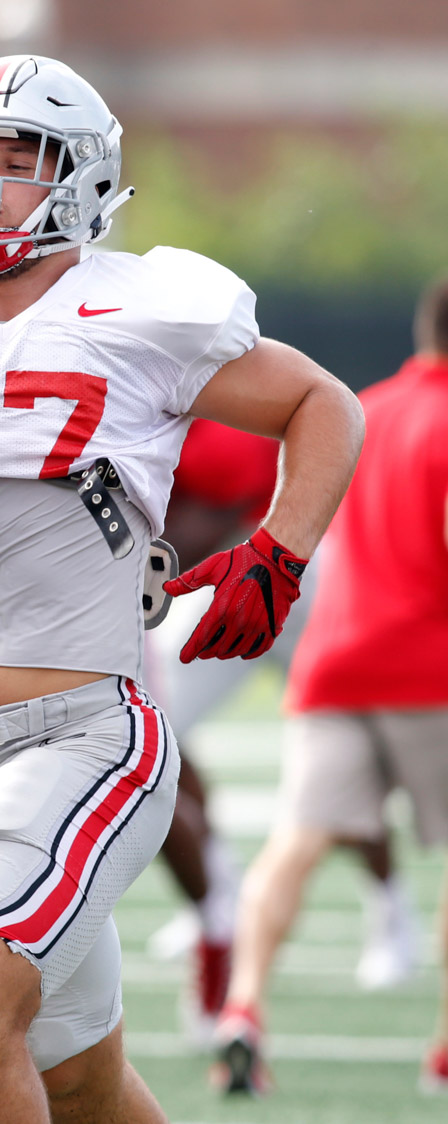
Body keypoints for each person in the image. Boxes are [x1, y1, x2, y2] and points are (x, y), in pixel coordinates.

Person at [0, 54, 364, 1124]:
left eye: (17, 163)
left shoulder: (141, 307)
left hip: (82, 734)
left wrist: (280, 548)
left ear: (81, 178)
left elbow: (322, 402)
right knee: (79, 1082)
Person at [210, 274, 448, 1097]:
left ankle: (242, 1008)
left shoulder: (362, 406)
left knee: (295, 843)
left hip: (335, 654)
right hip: (430, 667)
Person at [144, 422, 419, 1050]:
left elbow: (205, 524)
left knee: (348, 749)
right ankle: (219, 891)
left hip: (283, 568)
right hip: (214, 577)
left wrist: (122, 563)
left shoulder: (229, 399)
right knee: (152, 721)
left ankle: (390, 907)